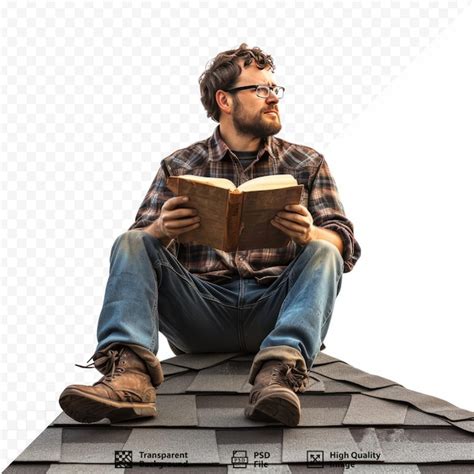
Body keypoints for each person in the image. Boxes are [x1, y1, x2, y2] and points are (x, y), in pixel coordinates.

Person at [59, 43, 361, 427]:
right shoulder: (180, 164)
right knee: (133, 242)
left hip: (275, 309)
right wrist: (162, 230)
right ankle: (130, 377)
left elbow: (344, 245)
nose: (273, 98)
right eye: (261, 89)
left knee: (323, 250)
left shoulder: (307, 161)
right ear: (225, 100)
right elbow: (140, 244)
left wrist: (309, 234)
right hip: (199, 311)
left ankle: (278, 375)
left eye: (275, 89)